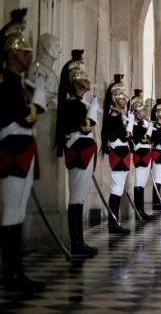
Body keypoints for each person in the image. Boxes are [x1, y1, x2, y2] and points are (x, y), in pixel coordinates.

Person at [0, 9, 47, 293]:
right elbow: (24, 116)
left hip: (23, 149)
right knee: (11, 212)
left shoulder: (19, 84)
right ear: (11, 54)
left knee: (19, 212)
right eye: (24, 53)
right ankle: (11, 275)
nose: (29, 57)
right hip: (12, 151)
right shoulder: (3, 83)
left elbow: (27, 115)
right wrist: (37, 101)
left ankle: (18, 271)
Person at [55, 49, 99, 257]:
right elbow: (83, 128)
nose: (86, 83)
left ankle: (79, 241)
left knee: (79, 198)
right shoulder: (73, 104)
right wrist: (92, 114)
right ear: (75, 84)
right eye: (82, 80)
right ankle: (76, 242)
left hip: (84, 151)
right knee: (76, 198)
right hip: (79, 152)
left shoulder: (80, 103)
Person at [101, 74, 133, 234]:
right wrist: (129, 128)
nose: (125, 100)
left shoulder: (119, 116)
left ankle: (114, 221)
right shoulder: (114, 116)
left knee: (118, 188)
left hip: (122, 152)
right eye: (122, 98)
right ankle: (113, 223)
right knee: (116, 188)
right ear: (115, 99)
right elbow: (122, 136)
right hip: (118, 152)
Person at [129, 95, 155, 221]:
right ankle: (138, 211)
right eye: (143, 110)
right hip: (140, 154)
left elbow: (150, 139)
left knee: (142, 183)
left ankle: (141, 210)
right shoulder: (134, 125)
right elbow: (142, 138)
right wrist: (148, 128)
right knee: (139, 182)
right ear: (137, 112)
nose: (145, 112)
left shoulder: (144, 124)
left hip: (146, 153)